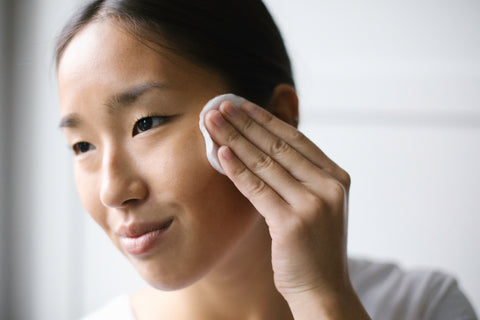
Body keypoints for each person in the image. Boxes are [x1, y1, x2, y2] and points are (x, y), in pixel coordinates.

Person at [55, 0, 478, 319]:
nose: (112, 191)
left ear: (275, 116)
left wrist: (320, 296)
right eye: (82, 146)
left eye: (146, 123)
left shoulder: (423, 305)